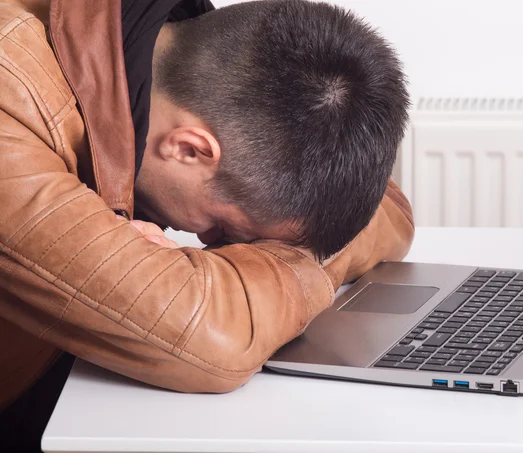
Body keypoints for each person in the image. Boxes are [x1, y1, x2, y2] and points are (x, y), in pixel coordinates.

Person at [0, 0, 414, 450]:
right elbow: (208, 343)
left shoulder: (180, 59)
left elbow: (389, 211)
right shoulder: (10, 100)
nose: (216, 246)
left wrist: (272, 257)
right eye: (227, 230)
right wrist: (306, 266)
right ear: (189, 149)